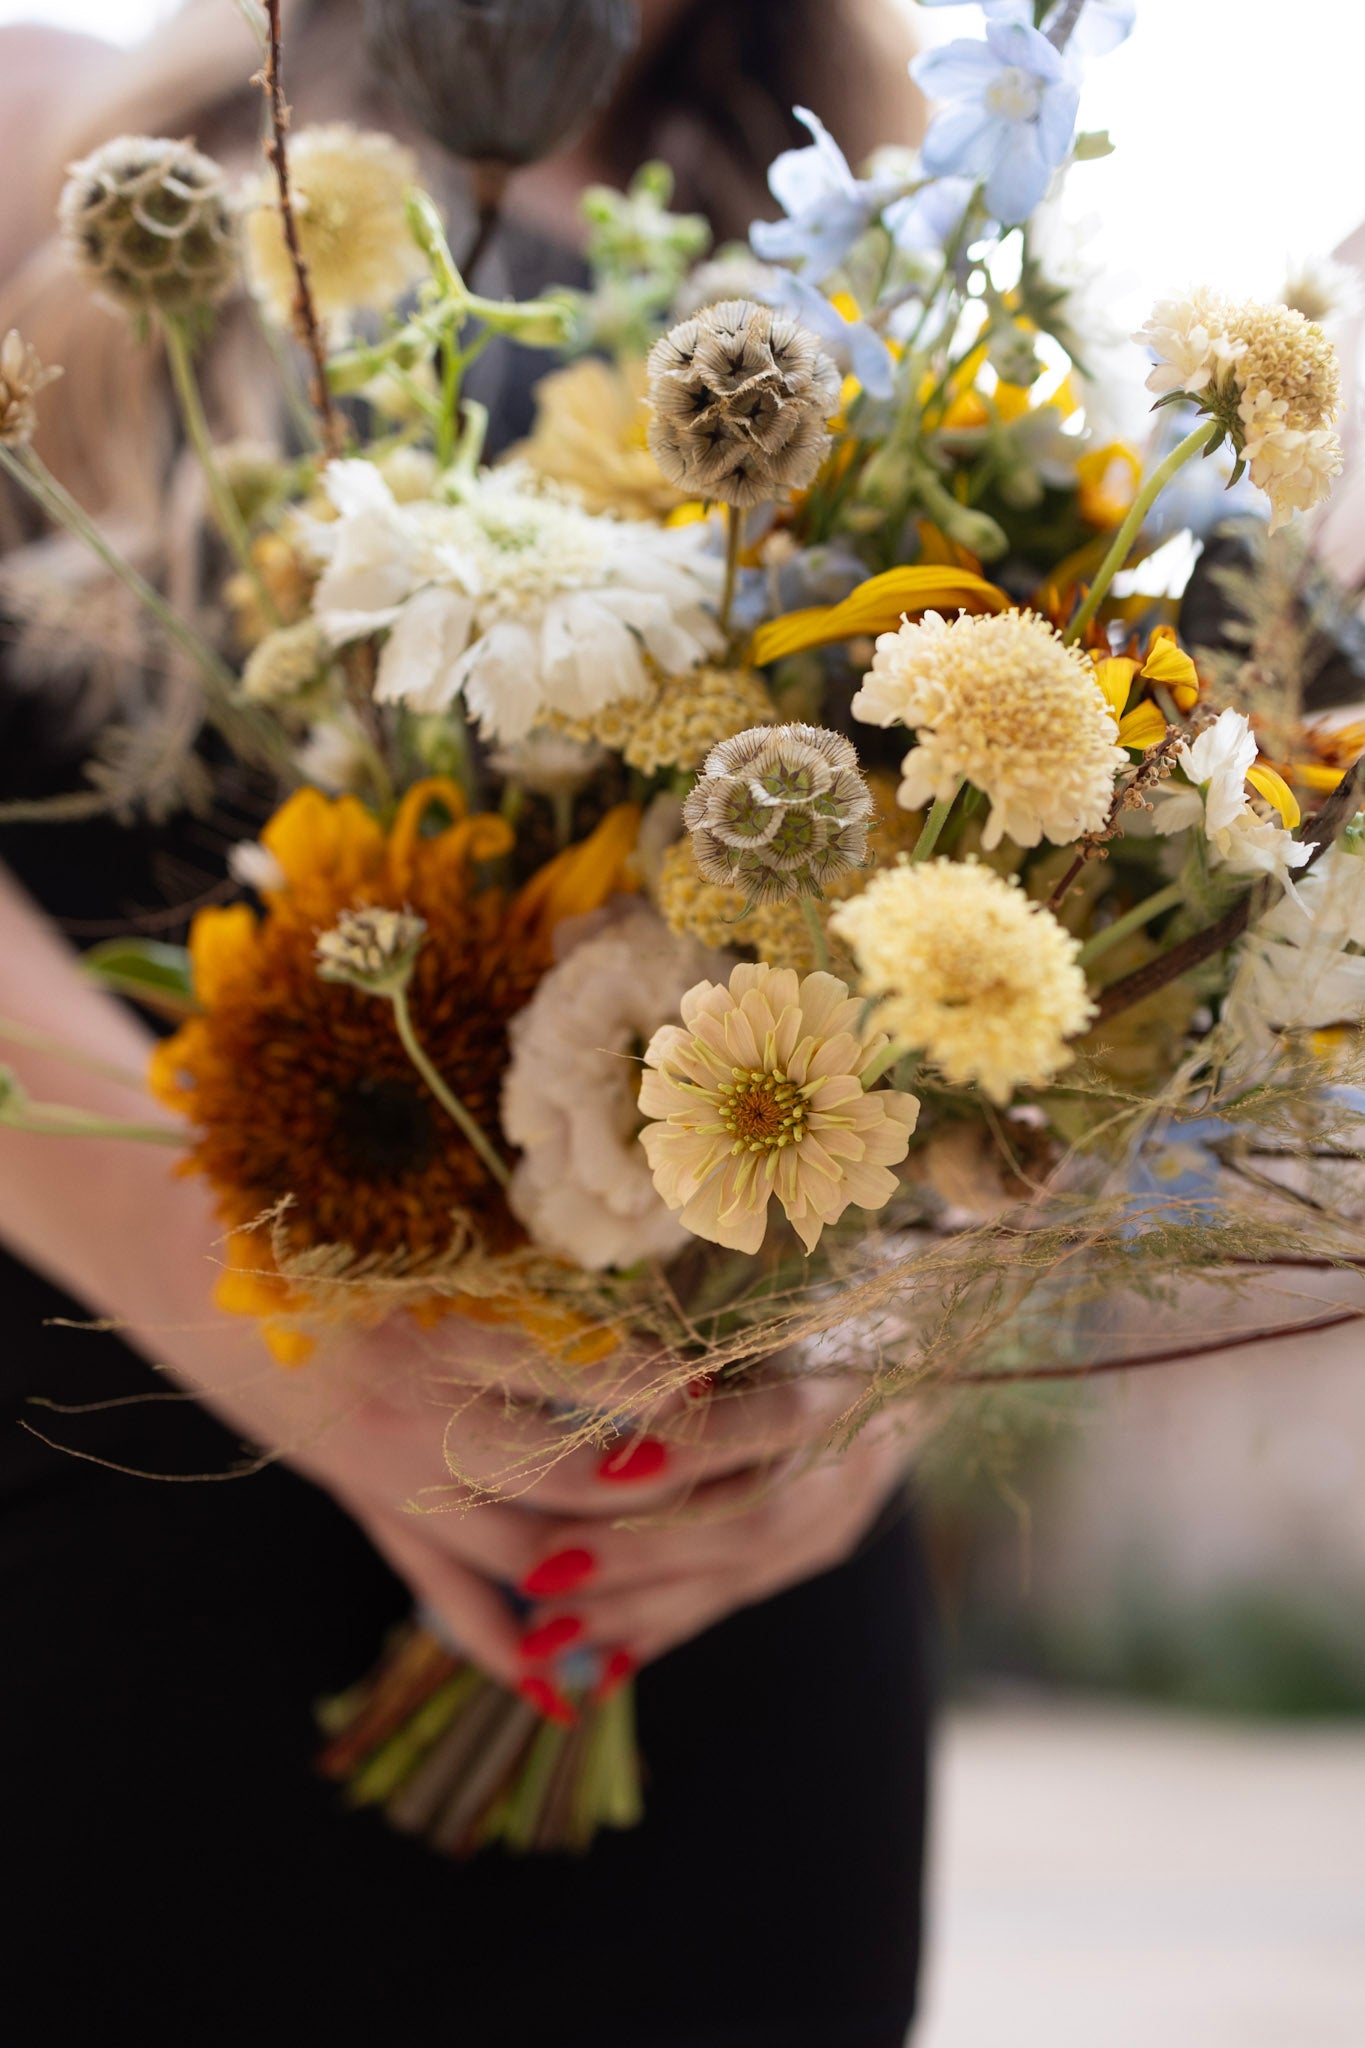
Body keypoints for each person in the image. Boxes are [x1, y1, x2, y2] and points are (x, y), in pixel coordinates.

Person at [0, 5, 933, 2043]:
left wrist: (896, 1369)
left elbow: (1004, 926)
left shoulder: (870, 266)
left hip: (714, 1626)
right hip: (117, 1548)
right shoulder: (33, 139)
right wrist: (271, 1318)